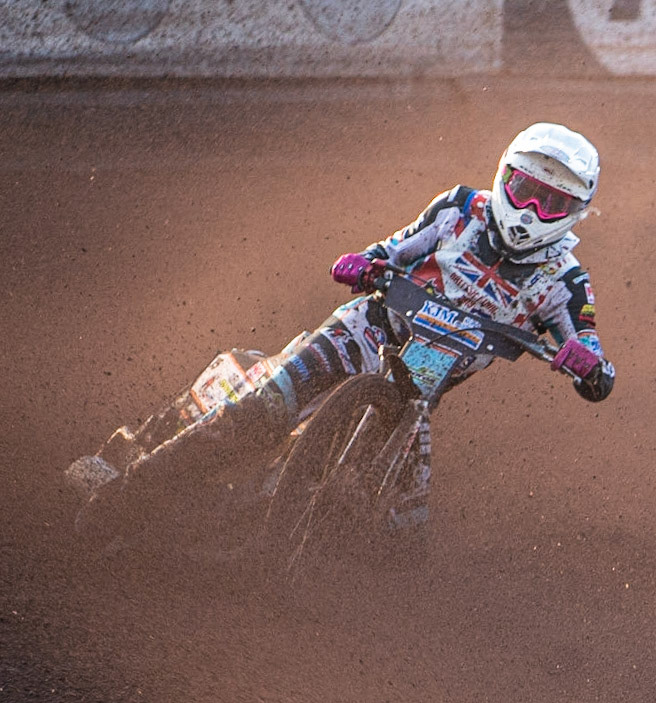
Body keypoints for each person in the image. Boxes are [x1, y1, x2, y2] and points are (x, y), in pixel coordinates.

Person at [66, 122, 614, 531]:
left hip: (420, 387)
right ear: (502, 178)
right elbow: (391, 249)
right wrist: (362, 262)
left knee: (404, 523)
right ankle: (120, 500)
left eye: (551, 203)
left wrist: (587, 365)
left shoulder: (562, 278)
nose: (530, 210)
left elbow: (591, 354)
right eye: (523, 190)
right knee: (265, 406)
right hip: (366, 330)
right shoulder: (459, 211)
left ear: (575, 212)